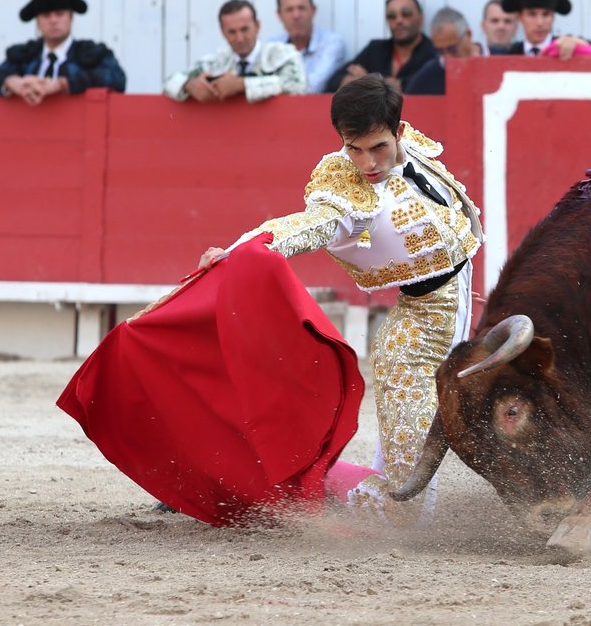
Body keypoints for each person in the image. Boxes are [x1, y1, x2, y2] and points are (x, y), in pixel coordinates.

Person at [197, 75, 483, 526]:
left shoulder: (418, 150)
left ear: (399, 131)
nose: (366, 162)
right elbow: (308, 226)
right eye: (353, 148)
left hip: (452, 311)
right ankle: (286, 484)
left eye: (378, 148)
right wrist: (239, 251)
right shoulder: (344, 190)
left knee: (399, 462)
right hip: (417, 336)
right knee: (406, 501)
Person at [0, 0, 126, 104]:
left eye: (59, 14)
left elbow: (117, 78)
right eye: (46, 15)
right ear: (38, 21)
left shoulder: (91, 53)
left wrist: (62, 84)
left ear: (70, 18)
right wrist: (13, 83)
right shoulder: (26, 54)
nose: (53, 21)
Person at [164, 0, 307, 103]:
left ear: (257, 26)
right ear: (222, 32)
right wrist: (189, 84)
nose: (239, 38)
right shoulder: (214, 62)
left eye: (245, 29)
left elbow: (297, 86)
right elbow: (168, 83)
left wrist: (242, 85)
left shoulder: (283, 54)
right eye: (232, 32)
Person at [326, 0, 437, 92]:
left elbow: (424, 86)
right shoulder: (375, 49)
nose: (398, 20)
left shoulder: (435, 52)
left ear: (421, 18)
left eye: (406, 14)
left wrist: (369, 81)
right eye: (391, 16)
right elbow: (334, 81)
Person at [268, 0, 349, 94]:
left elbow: (312, 87)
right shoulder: (270, 45)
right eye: (289, 10)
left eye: (301, 8)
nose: (296, 15)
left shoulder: (332, 43)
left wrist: (267, 86)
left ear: (313, 10)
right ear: (279, 15)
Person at [501, 0, 591, 59]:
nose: (540, 22)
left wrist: (580, 44)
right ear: (520, 17)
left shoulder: (569, 45)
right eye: (532, 14)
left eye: (546, 14)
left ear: (553, 17)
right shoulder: (510, 53)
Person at [404, 7, 481, 95]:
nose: (447, 57)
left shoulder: (496, 58)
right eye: (440, 51)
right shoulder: (429, 74)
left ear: (468, 34)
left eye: (452, 49)